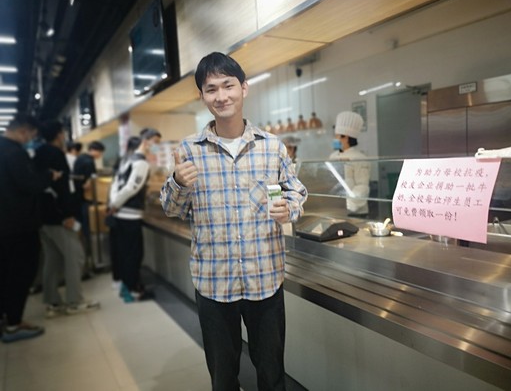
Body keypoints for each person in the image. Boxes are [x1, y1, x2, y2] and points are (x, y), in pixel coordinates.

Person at [160, 52, 307, 391]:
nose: (221, 96)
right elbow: (172, 208)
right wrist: (178, 182)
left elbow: (295, 191)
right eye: (211, 89)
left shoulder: (271, 147)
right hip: (213, 283)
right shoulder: (189, 150)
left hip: (265, 278)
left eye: (228, 85)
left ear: (244, 88)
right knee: (223, 378)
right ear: (202, 96)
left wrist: (288, 208)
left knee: (272, 374)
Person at [0, 117, 61, 343]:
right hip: (19, 225)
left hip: (4, 226)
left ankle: (5, 319)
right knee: (21, 273)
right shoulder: (15, 153)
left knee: (4, 273)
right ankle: (14, 324)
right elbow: (29, 183)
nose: (31, 140)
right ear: (24, 131)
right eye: (32, 136)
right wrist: (49, 176)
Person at [34, 120, 100, 317]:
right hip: (59, 217)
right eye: (63, 132)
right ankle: (75, 301)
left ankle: (52, 302)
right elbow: (60, 188)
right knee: (76, 256)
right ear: (58, 134)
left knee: (52, 259)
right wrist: (67, 215)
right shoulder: (56, 154)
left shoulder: (38, 153)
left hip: (43, 217)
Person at [108, 129, 161, 302]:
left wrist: (114, 203)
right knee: (133, 255)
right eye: (155, 142)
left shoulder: (127, 159)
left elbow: (116, 184)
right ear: (145, 141)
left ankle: (125, 286)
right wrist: (116, 204)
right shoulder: (141, 163)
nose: (156, 146)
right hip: (130, 215)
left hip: (120, 214)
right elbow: (132, 187)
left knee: (124, 253)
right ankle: (133, 290)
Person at [329, 111, 370, 217]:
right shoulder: (333, 156)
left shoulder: (359, 158)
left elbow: (362, 187)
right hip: (336, 210)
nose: (334, 139)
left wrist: (348, 205)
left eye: (337, 136)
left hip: (355, 212)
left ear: (346, 138)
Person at [73, 140, 105, 270]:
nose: (100, 155)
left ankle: (87, 261)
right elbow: (89, 184)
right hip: (86, 200)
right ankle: (91, 262)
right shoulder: (89, 162)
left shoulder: (80, 158)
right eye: (101, 152)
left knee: (83, 230)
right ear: (95, 150)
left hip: (78, 199)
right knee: (88, 230)